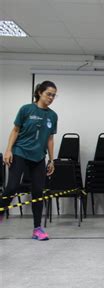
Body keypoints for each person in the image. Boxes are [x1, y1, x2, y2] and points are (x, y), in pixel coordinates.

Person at [0, 81, 58, 241]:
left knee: (38, 192)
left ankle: (37, 229)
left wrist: (52, 160)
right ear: (39, 92)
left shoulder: (53, 115)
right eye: (49, 94)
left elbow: (50, 139)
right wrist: (8, 149)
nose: (51, 97)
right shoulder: (26, 109)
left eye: (54, 95)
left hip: (39, 157)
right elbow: (15, 130)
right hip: (20, 153)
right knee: (12, 186)